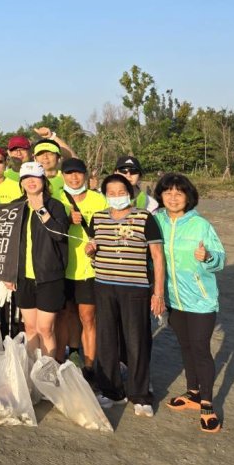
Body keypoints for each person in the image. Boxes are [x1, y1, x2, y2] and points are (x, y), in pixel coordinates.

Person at [85, 173, 166, 417]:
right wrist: (90, 251)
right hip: (104, 285)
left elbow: (157, 257)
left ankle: (140, 395)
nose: (117, 197)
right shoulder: (97, 218)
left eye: (121, 192)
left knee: (137, 340)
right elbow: (94, 248)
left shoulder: (144, 218)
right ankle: (111, 391)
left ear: (130, 194)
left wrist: (158, 292)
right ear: (104, 194)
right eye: (111, 193)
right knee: (107, 339)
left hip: (135, 287)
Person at [153, 173, 225, 433]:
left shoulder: (200, 225)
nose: (173, 197)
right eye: (168, 192)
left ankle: (207, 403)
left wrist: (207, 257)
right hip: (173, 297)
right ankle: (193, 392)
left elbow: (221, 258)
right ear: (160, 195)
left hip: (200, 298)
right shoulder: (156, 221)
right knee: (185, 345)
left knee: (200, 348)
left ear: (188, 197)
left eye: (179, 193)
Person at [2, 162, 69, 357]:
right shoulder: (16, 206)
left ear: (43, 180)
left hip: (49, 276)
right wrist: (8, 273)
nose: (31, 182)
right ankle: (32, 373)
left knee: (45, 329)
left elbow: (60, 235)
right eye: (26, 178)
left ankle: (47, 374)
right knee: (30, 329)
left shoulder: (55, 206)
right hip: (24, 277)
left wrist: (41, 209)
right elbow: (8, 242)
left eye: (36, 177)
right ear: (21, 182)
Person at [55, 157, 107, 377]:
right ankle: (67, 354)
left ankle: (89, 365)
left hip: (89, 269)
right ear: (62, 175)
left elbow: (108, 229)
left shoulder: (99, 200)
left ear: (86, 175)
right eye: (69, 173)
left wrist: (98, 245)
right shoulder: (56, 198)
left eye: (78, 172)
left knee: (87, 317)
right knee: (66, 314)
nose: (74, 177)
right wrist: (67, 219)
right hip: (62, 267)